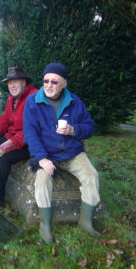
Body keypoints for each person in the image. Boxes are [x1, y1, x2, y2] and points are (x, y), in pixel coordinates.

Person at [23, 62, 101, 244]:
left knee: (92, 175)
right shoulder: (33, 102)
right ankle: (45, 226)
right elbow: (30, 133)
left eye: (54, 82)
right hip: (47, 154)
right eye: (46, 81)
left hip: (73, 153)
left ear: (64, 83)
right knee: (42, 182)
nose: (49, 85)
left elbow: (90, 127)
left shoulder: (75, 102)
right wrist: (41, 158)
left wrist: (74, 130)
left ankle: (86, 222)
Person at [0, 67, 38, 209]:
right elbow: (4, 121)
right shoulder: (12, 99)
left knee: (3, 159)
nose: (12, 86)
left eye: (15, 82)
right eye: (9, 83)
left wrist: (4, 147)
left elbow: (31, 130)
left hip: (28, 143)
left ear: (24, 82)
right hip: (12, 137)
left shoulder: (34, 98)